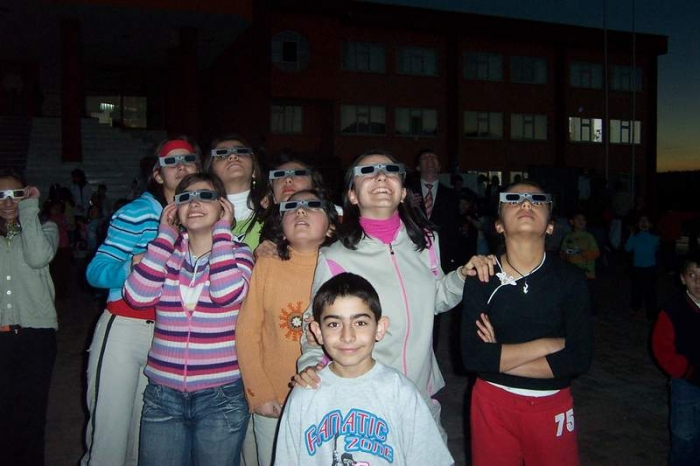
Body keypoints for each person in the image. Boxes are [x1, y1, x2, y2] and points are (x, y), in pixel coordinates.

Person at [295, 150, 494, 435]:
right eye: (367, 171)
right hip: (366, 396)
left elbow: (436, 299)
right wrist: (311, 364)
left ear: (402, 192)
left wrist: (462, 276)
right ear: (352, 195)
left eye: (389, 170)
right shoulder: (336, 256)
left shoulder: (426, 242)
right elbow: (314, 324)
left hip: (421, 393)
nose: (380, 176)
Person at [81, 139, 199, 466]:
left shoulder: (202, 214)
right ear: (158, 175)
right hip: (126, 326)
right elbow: (95, 271)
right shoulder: (136, 213)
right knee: (109, 434)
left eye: (188, 159)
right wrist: (133, 265)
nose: (181, 166)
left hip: (171, 336)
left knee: (143, 436)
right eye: (171, 161)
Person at [123, 172, 253, 466]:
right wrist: (164, 237)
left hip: (221, 395)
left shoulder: (239, 254)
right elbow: (137, 297)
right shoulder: (163, 255)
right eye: (185, 197)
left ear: (223, 206)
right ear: (175, 210)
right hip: (162, 395)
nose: (194, 203)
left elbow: (225, 294)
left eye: (205, 196)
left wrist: (223, 233)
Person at [461, 181, 593, 466]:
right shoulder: (481, 277)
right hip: (492, 403)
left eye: (537, 200)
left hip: (551, 403)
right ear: (498, 225)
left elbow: (579, 358)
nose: (525, 203)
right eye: (513, 199)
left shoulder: (571, 279)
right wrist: (546, 345)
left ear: (550, 226)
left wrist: (496, 357)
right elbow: (472, 356)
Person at [276, 273, 454, 465]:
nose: (347, 336)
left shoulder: (400, 392)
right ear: (318, 332)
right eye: (334, 324)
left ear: (380, 328)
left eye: (360, 323)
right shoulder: (304, 396)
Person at [237, 189, 339, 465]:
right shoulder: (267, 264)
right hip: (275, 399)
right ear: (281, 226)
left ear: (331, 227)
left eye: (312, 205)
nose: (300, 210)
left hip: (329, 400)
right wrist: (259, 392)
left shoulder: (342, 265)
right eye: (291, 207)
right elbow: (247, 331)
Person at [0, 170, 58, 466]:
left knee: (31, 415)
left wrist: (29, 210)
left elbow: (37, 257)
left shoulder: (46, 229)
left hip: (37, 336)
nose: (9, 202)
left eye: (16, 194)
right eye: (1, 196)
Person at [652, 252, 700, 465]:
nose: (698, 282)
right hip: (686, 383)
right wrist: (686, 371)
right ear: (682, 278)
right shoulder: (673, 309)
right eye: (692, 275)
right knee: (684, 435)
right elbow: (662, 349)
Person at [206, 133, 267, 251]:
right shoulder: (201, 217)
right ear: (210, 172)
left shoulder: (273, 214)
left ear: (254, 170)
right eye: (221, 154)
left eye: (241, 152)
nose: (233, 156)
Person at [625, 214, 660, 319]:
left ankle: (651, 312)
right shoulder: (635, 237)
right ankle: (635, 309)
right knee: (636, 290)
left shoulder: (655, 238)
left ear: (650, 224)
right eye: (641, 221)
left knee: (650, 291)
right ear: (637, 224)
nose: (644, 223)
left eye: (646, 221)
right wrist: (631, 235)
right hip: (637, 268)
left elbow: (656, 250)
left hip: (650, 268)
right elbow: (627, 248)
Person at [560, 211, 600, 280]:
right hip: (570, 272)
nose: (581, 221)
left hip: (586, 273)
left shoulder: (589, 237)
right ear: (572, 222)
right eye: (578, 219)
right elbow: (562, 252)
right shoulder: (567, 237)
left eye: (583, 219)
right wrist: (565, 254)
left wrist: (583, 253)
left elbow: (596, 253)